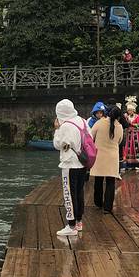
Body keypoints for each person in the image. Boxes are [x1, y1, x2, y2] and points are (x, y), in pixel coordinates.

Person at [53, 99, 87, 236]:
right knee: (79, 192)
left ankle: (71, 225)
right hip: (83, 162)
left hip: (69, 163)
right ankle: (79, 222)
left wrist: (57, 129)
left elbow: (57, 144)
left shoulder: (65, 126)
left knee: (69, 194)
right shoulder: (82, 121)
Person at [90, 105, 124, 212]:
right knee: (110, 182)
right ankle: (107, 208)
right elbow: (119, 141)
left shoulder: (99, 123)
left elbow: (91, 136)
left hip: (99, 156)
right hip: (112, 157)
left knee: (98, 180)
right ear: (118, 117)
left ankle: (98, 203)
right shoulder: (119, 126)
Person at [122, 96, 139, 170]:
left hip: (135, 135)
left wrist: (132, 124)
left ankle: (137, 164)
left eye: (130, 110)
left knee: (135, 149)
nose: (129, 112)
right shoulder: (127, 117)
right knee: (129, 149)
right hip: (129, 135)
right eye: (128, 110)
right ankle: (129, 163)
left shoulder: (137, 117)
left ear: (133, 110)